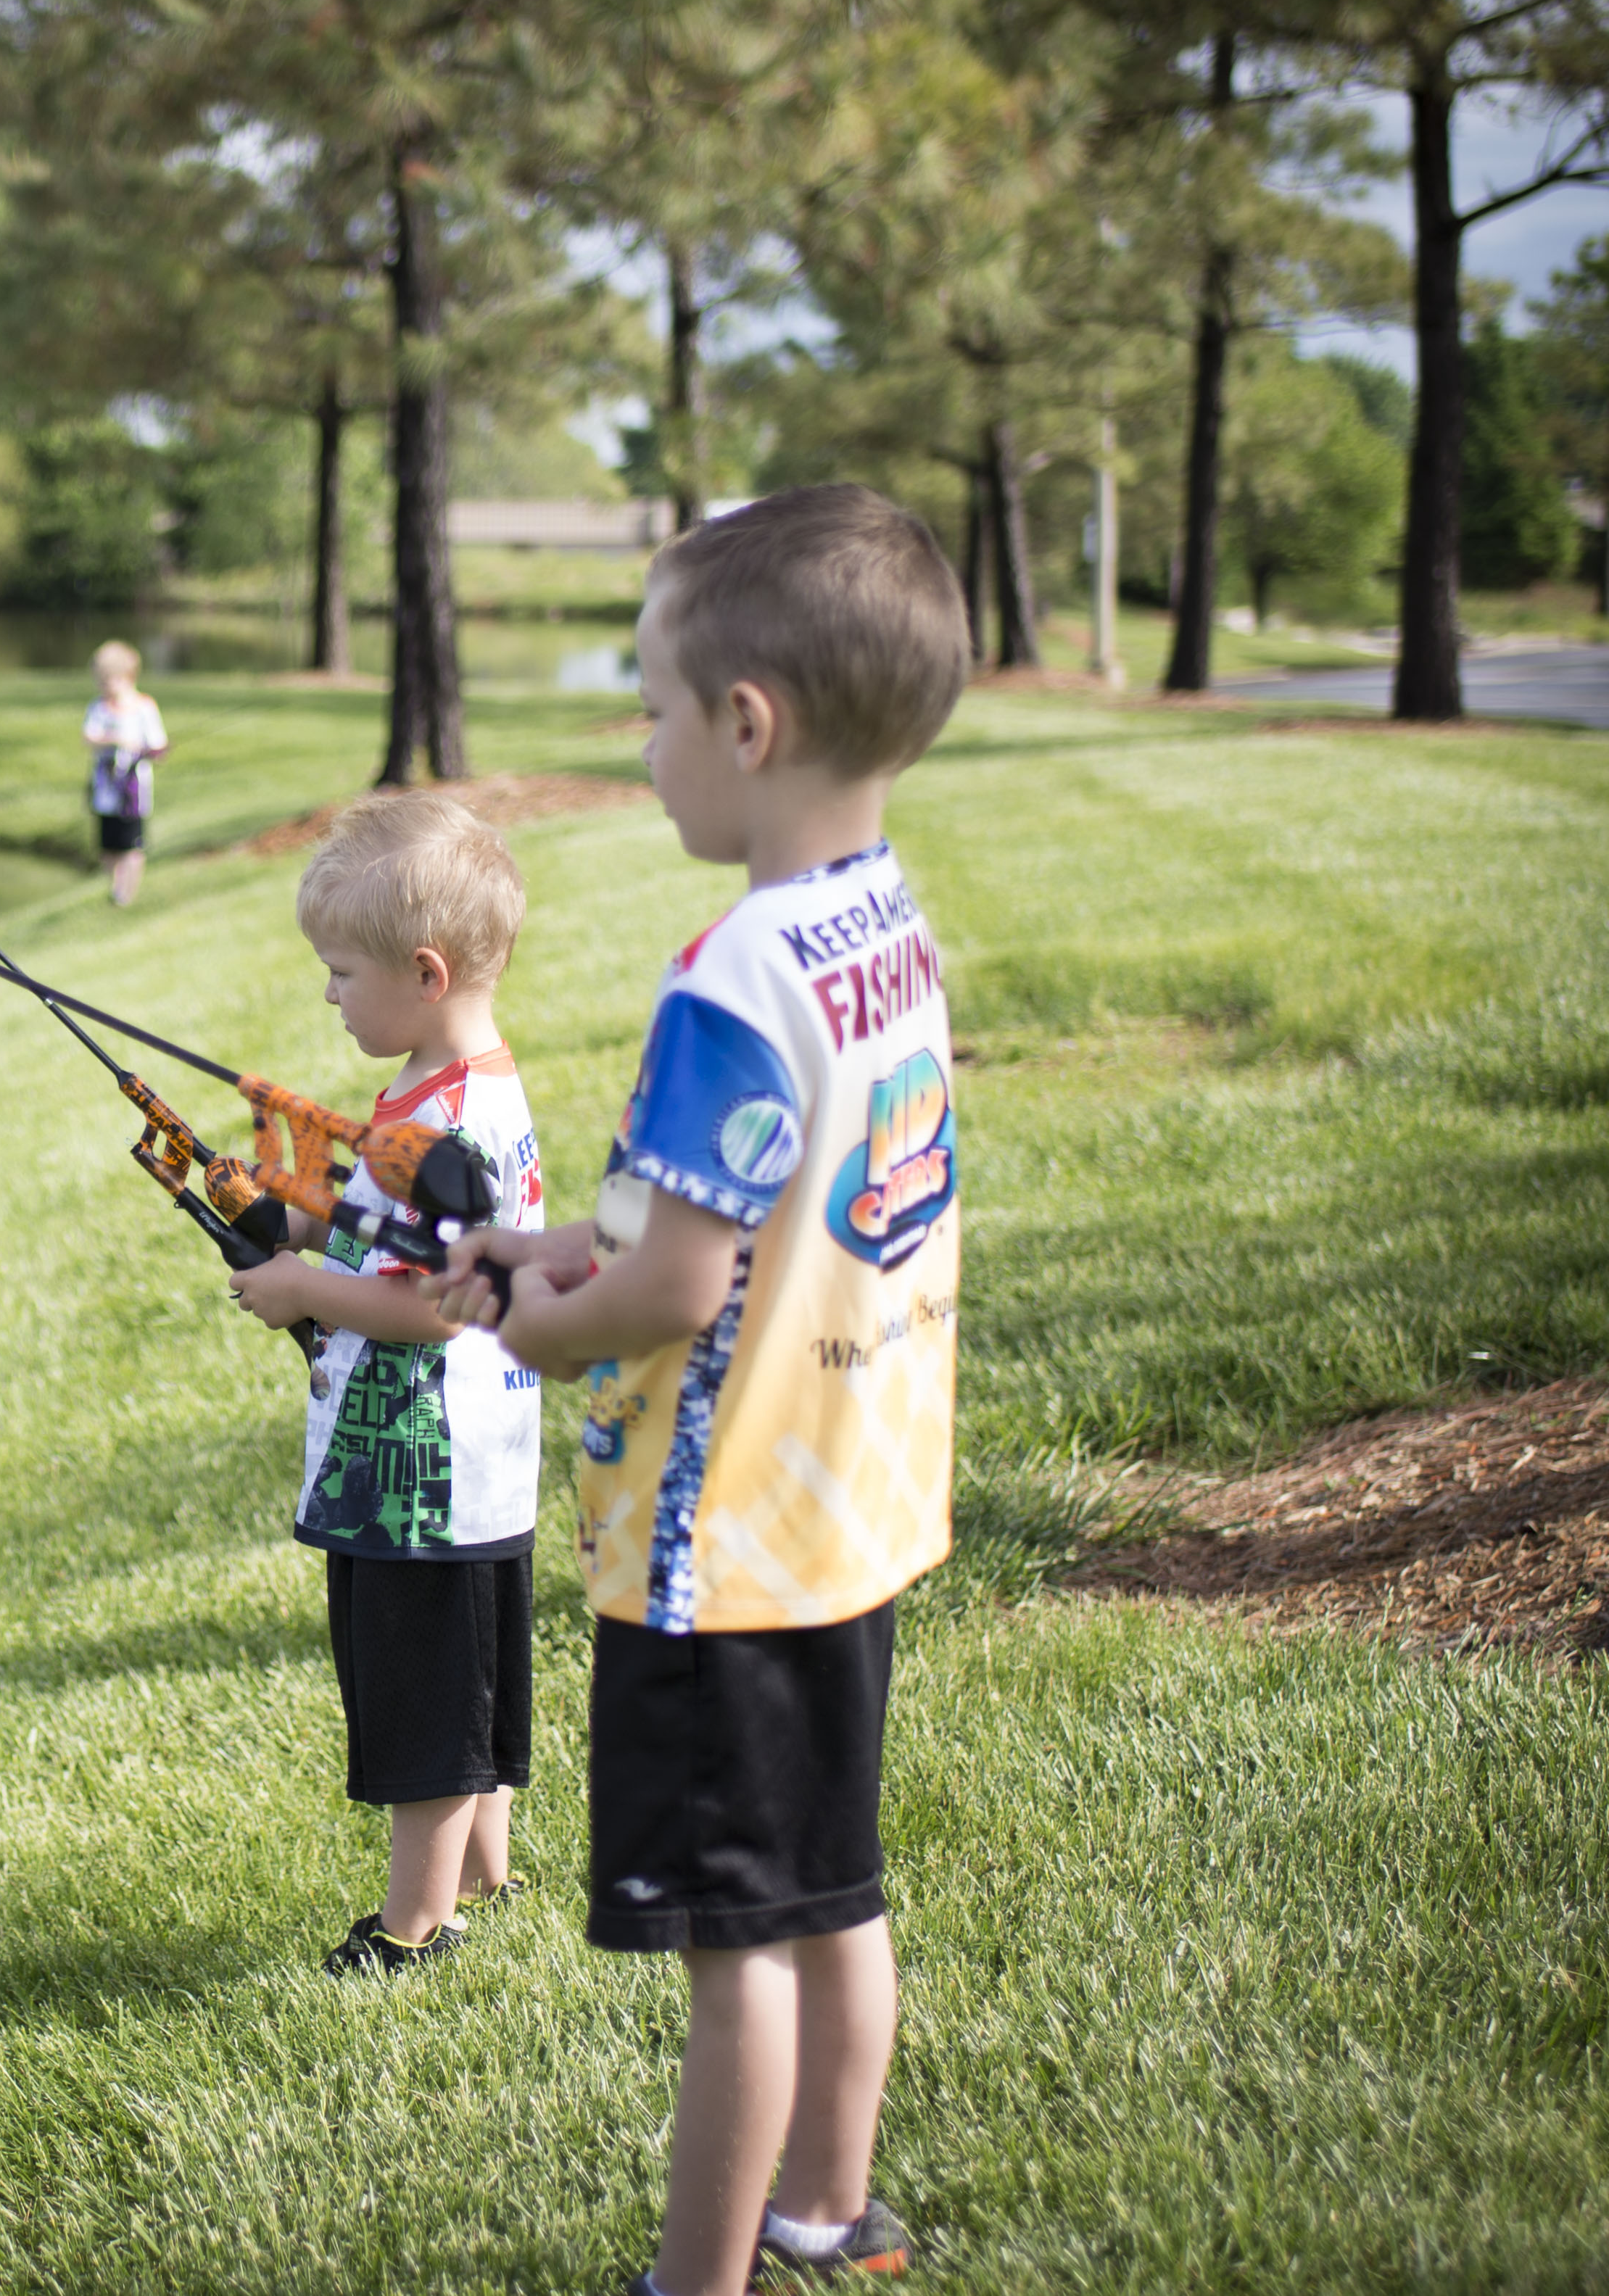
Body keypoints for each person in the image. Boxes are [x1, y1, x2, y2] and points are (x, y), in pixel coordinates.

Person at [435, 484, 969, 2294]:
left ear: (747, 724)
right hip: (853, 1498)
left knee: (730, 1937)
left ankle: (700, 2278)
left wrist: (533, 1325)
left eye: (653, 711)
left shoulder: (734, 975)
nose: (644, 748)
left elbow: (676, 1280)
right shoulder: (879, 924)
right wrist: (552, 1246)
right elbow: (736, 1213)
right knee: (833, 1879)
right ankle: (831, 2208)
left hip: (722, 1543)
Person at [230, 788, 549, 1976]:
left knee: (424, 1705)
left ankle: (416, 1929)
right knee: (472, 1676)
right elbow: (401, 1224)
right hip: (476, 1465)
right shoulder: (459, 1088)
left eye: (340, 971)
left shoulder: (450, 1119)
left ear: (423, 971)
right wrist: (294, 1185)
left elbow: (428, 1304)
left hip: (423, 1469)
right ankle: (489, 1865)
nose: (328, 993)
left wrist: (304, 1285)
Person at [80, 641, 169, 906]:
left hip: (133, 793)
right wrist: (115, 739)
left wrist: (152, 751)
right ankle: (115, 886)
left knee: (132, 846)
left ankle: (127, 895)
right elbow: (89, 738)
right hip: (106, 791)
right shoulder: (98, 708)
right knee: (108, 848)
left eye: (107, 682)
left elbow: (158, 746)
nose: (102, 688)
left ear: (125, 678)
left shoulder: (144, 708)